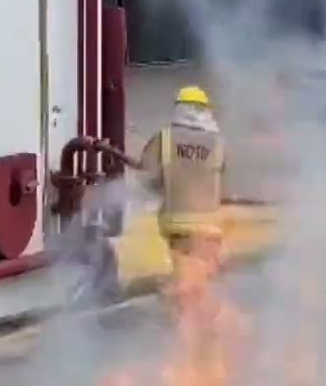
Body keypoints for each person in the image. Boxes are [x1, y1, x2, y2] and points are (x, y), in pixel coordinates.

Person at [96, 85, 228, 291]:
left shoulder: (164, 139)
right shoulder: (218, 143)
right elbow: (222, 177)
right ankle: (202, 314)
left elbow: (146, 177)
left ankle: (184, 312)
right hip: (209, 225)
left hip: (176, 224)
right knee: (202, 276)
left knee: (184, 275)